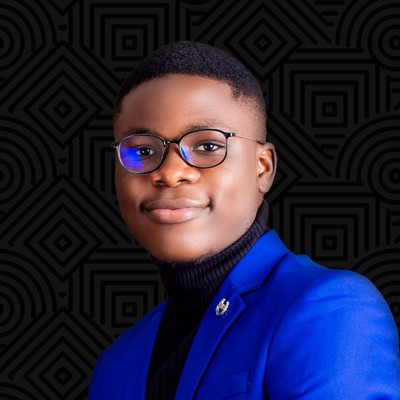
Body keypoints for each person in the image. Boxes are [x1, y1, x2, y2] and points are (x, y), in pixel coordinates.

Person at [88, 41, 399, 399]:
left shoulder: (329, 308)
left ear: (262, 168)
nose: (170, 173)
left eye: (207, 146)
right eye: (143, 150)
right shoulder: (116, 363)